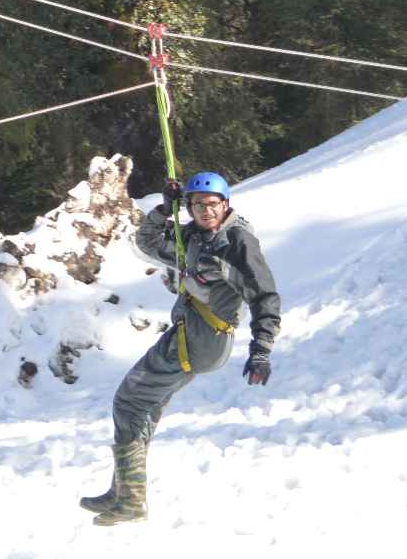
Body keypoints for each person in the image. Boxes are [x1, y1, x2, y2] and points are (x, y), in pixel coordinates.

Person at [81, 171, 282, 526]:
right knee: (145, 405)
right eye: (197, 205)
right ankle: (124, 490)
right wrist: (163, 208)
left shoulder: (236, 243)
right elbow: (146, 243)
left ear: (226, 205)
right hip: (188, 334)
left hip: (204, 339)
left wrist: (261, 349)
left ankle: (132, 500)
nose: (205, 211)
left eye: (212, 205)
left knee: (128, 400)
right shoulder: (192, 236)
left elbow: (265, 296)